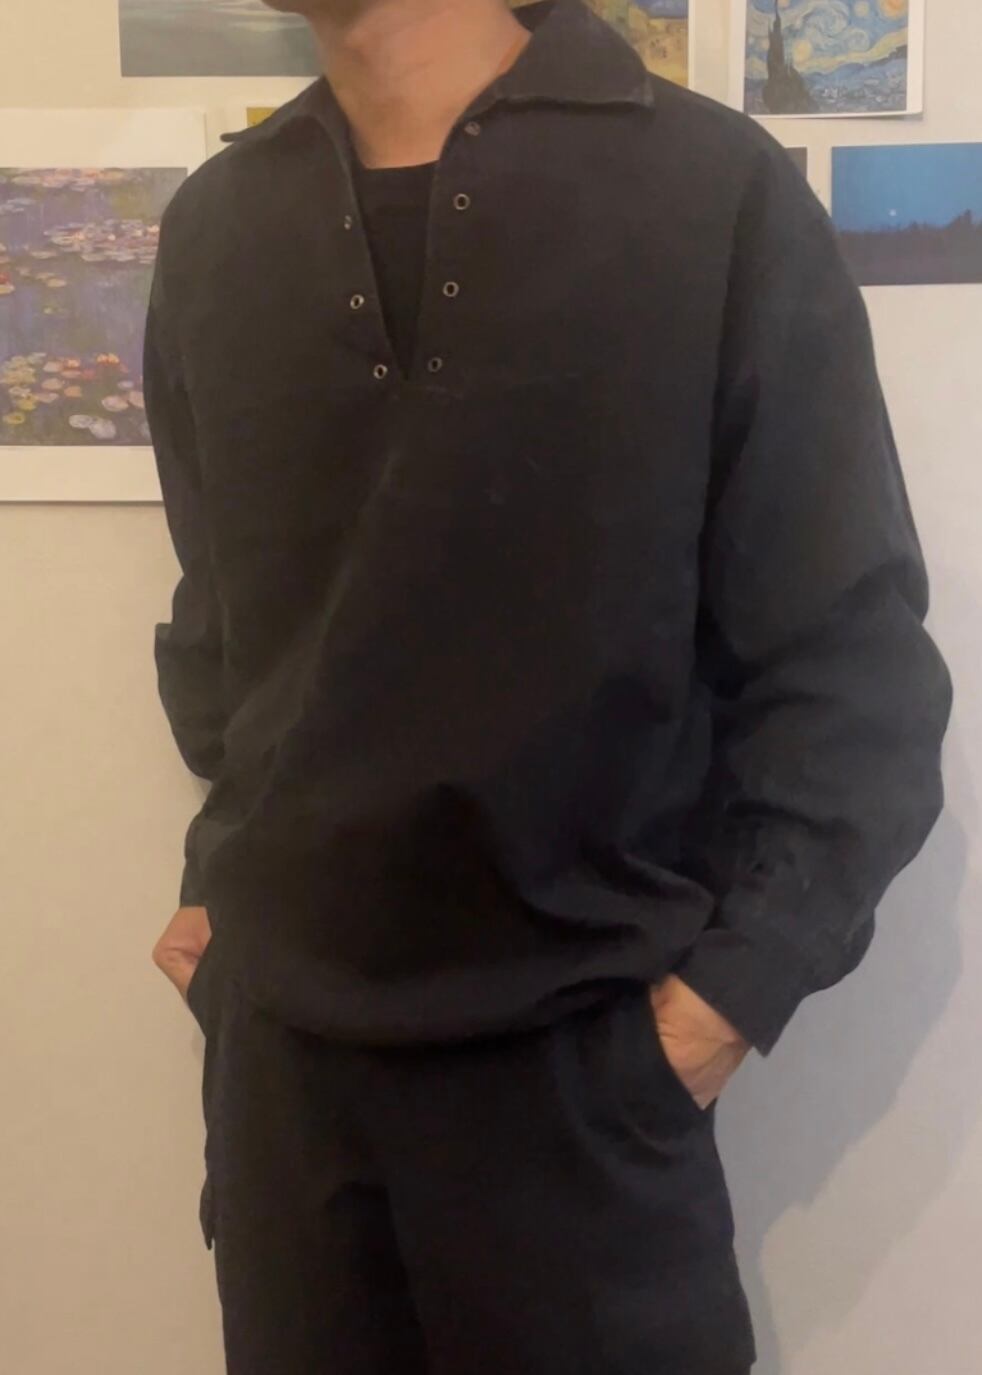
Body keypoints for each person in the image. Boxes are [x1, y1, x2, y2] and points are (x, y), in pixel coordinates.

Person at [146, 1, 952, 1370]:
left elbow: (848, 667)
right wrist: (224, 891)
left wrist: (727, 996)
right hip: (287, 1098)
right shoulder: (217, 225)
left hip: (583, 1093)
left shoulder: (709, 191)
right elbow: (227, 637)